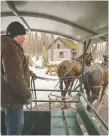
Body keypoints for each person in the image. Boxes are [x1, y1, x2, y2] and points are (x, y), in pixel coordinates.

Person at [1, 21, 34, 135]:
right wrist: (27, 95)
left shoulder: (10, 47)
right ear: (17, 36)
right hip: (13, 98)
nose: (24, 38)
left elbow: (13, 69)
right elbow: (14, 77)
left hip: (11, 97)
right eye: (23, 36)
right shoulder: (11, 48)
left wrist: (28, 72)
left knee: (12, 127)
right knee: (15, 130)